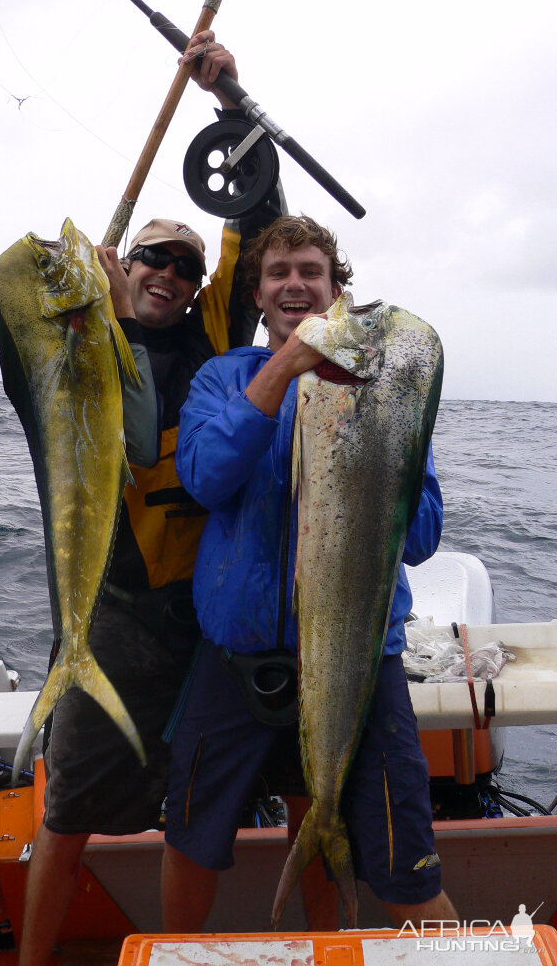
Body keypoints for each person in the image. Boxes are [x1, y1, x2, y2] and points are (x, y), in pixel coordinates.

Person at [17, 31, 287, 966]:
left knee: (200, 803)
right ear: (121, 268)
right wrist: (76, 297)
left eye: (182, 264)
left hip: (207, 617)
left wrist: (231, 101)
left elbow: (258, 218)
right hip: (113, 611)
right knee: (68, 813)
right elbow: (25, 339)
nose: (168, 275)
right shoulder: (84, 339)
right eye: (150, 262)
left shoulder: (219, 329)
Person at [161, 214, 458, 930]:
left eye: (311, 273)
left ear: (335, 291)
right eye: (278, 273)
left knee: (403, 865)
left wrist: (382, 448)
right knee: (191, 840)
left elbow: (418, 540)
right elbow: (203, 478)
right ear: (260, 294)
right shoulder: (223, 377)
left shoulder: (382, 386)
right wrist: (285, 367)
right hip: (236, 657)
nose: (294, 284)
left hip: (362, 661)